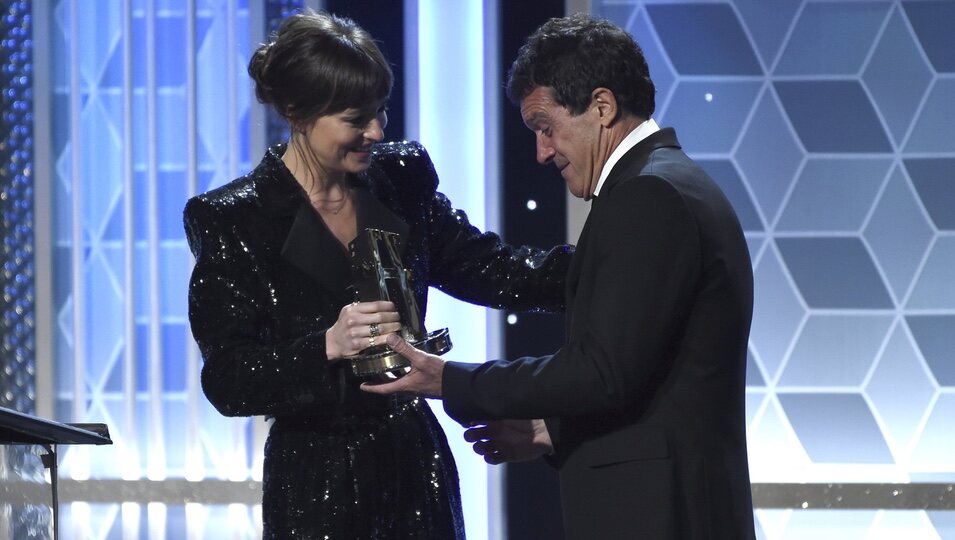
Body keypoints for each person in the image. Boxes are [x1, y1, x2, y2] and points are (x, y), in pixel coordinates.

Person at [364, 14, 757, 540]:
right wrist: (557, 430)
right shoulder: (670, 185)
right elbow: (652, 375)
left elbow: (601, 372)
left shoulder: (648, 197)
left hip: (659, 515)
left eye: (546, 128)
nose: (542, 152)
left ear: (601, 107)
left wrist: (452, 378)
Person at [183, 10, 571, 539]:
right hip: (315, 483)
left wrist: (607, 262)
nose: (375, 131)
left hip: (415, 467)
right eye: (354, 118)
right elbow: (228, 379)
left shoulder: (399, 181)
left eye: (379, 112)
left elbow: (494, 269)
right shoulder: (233, 219)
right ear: (297, 112)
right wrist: (326, 344)